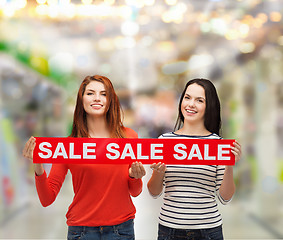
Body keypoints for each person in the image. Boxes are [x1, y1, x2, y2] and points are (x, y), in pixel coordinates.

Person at [23, 75, 146, 240]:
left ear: (111, 100)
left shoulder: (129, 137)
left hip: (121, 229)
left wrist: (134, 176)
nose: (97, 98)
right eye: (90, 93)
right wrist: (38, 165)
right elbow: (47, 198)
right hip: (81, 231)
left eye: (104, 94)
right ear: (81, 100)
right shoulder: (69, 145)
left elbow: (135, 191)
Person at [147, 78, 241, 240]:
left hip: (208, 230)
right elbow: (154, 192)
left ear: (209, 106)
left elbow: (225, 198)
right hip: (169, 229)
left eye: (199, 100)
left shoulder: (217, 144)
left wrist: (229, 165)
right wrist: (159, 172)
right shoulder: (164, 141)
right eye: (187, 97)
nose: (191, 104)